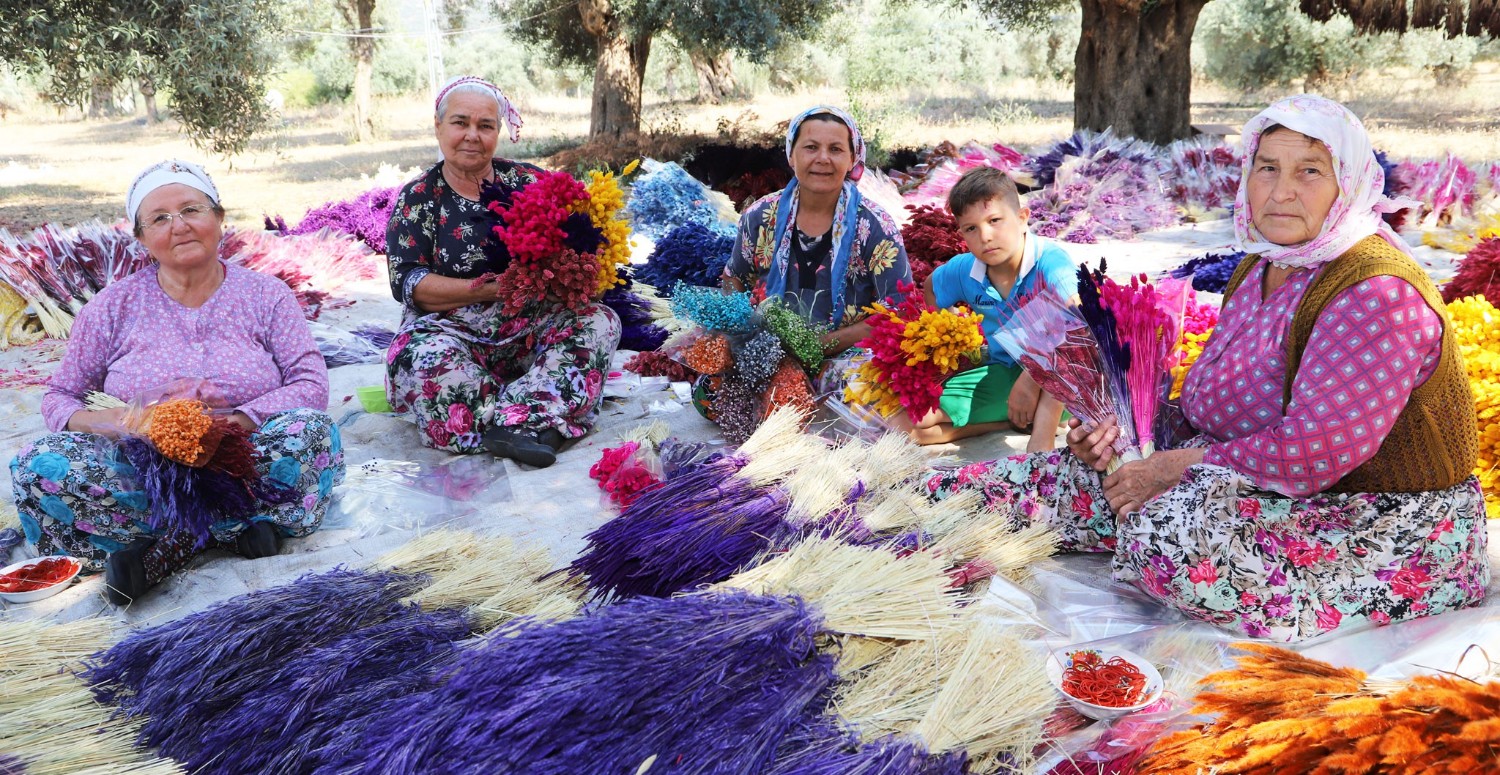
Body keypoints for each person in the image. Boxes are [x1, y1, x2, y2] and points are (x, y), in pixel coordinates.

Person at [926, 95, 1487, 642]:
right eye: (1267, 168)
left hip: (1375, 520)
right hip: (1242, 477)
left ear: (1351, 182)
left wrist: (1173, 467)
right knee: (1035, 484)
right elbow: (1209, 406)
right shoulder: (1264, 264)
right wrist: (1127, 434)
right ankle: (899, 509)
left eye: (1311, 171)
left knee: (1164, 534)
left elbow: (1313, 453)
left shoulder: (1376, 292)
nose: (1282, 191)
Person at [9, 159, 344, 604]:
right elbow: (58, 398)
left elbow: (310, 383)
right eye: (160, 219)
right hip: (140, 464)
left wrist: (238, 417)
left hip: (245, 453)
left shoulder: (267, 296)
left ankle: (169, 543)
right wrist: (129, 421)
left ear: (219, 219)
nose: (179, 226)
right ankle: (232, 531)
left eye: (191, 209)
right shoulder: (112, 307)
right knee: (39, 464)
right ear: (142, 238)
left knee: (311, 434)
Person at [385, 75, 620, 468]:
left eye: (486, 125)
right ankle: (537, 418)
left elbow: (583, 242)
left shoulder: (529, 182)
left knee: (600, 321)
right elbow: (409, 284)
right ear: (439, 128)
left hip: (531, 325)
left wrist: (574, 273)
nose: (472, 135)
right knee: (418, 355)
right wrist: (488, 290)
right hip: (452, 329)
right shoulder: (419, 197)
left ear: (499, 131)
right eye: (460, 123)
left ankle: (506, 419)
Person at [892, 167, 1074, 449]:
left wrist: (1030, 381)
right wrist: (950, 341)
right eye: (971, 228)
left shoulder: (1050, 263)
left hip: (1057, 378)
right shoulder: (966, 271)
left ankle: (1043, 434)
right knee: (909, 424)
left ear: (1023, 218)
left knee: (1071, 341)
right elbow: (931, 288)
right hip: (1003, 370)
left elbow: (1078, 320)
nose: (985, 236)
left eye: (995, 220)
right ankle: (1010, 421)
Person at [722, 106, 911, 355]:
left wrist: (819, 346)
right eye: (811, 147)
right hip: (767, 355)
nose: (823, 158)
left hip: (849, 365)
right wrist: (744, 330)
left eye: (836, 149)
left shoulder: (874, 226)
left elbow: (899, 311)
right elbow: (733, 277)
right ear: (792, 155)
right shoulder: (760, 216)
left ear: (852, 159)